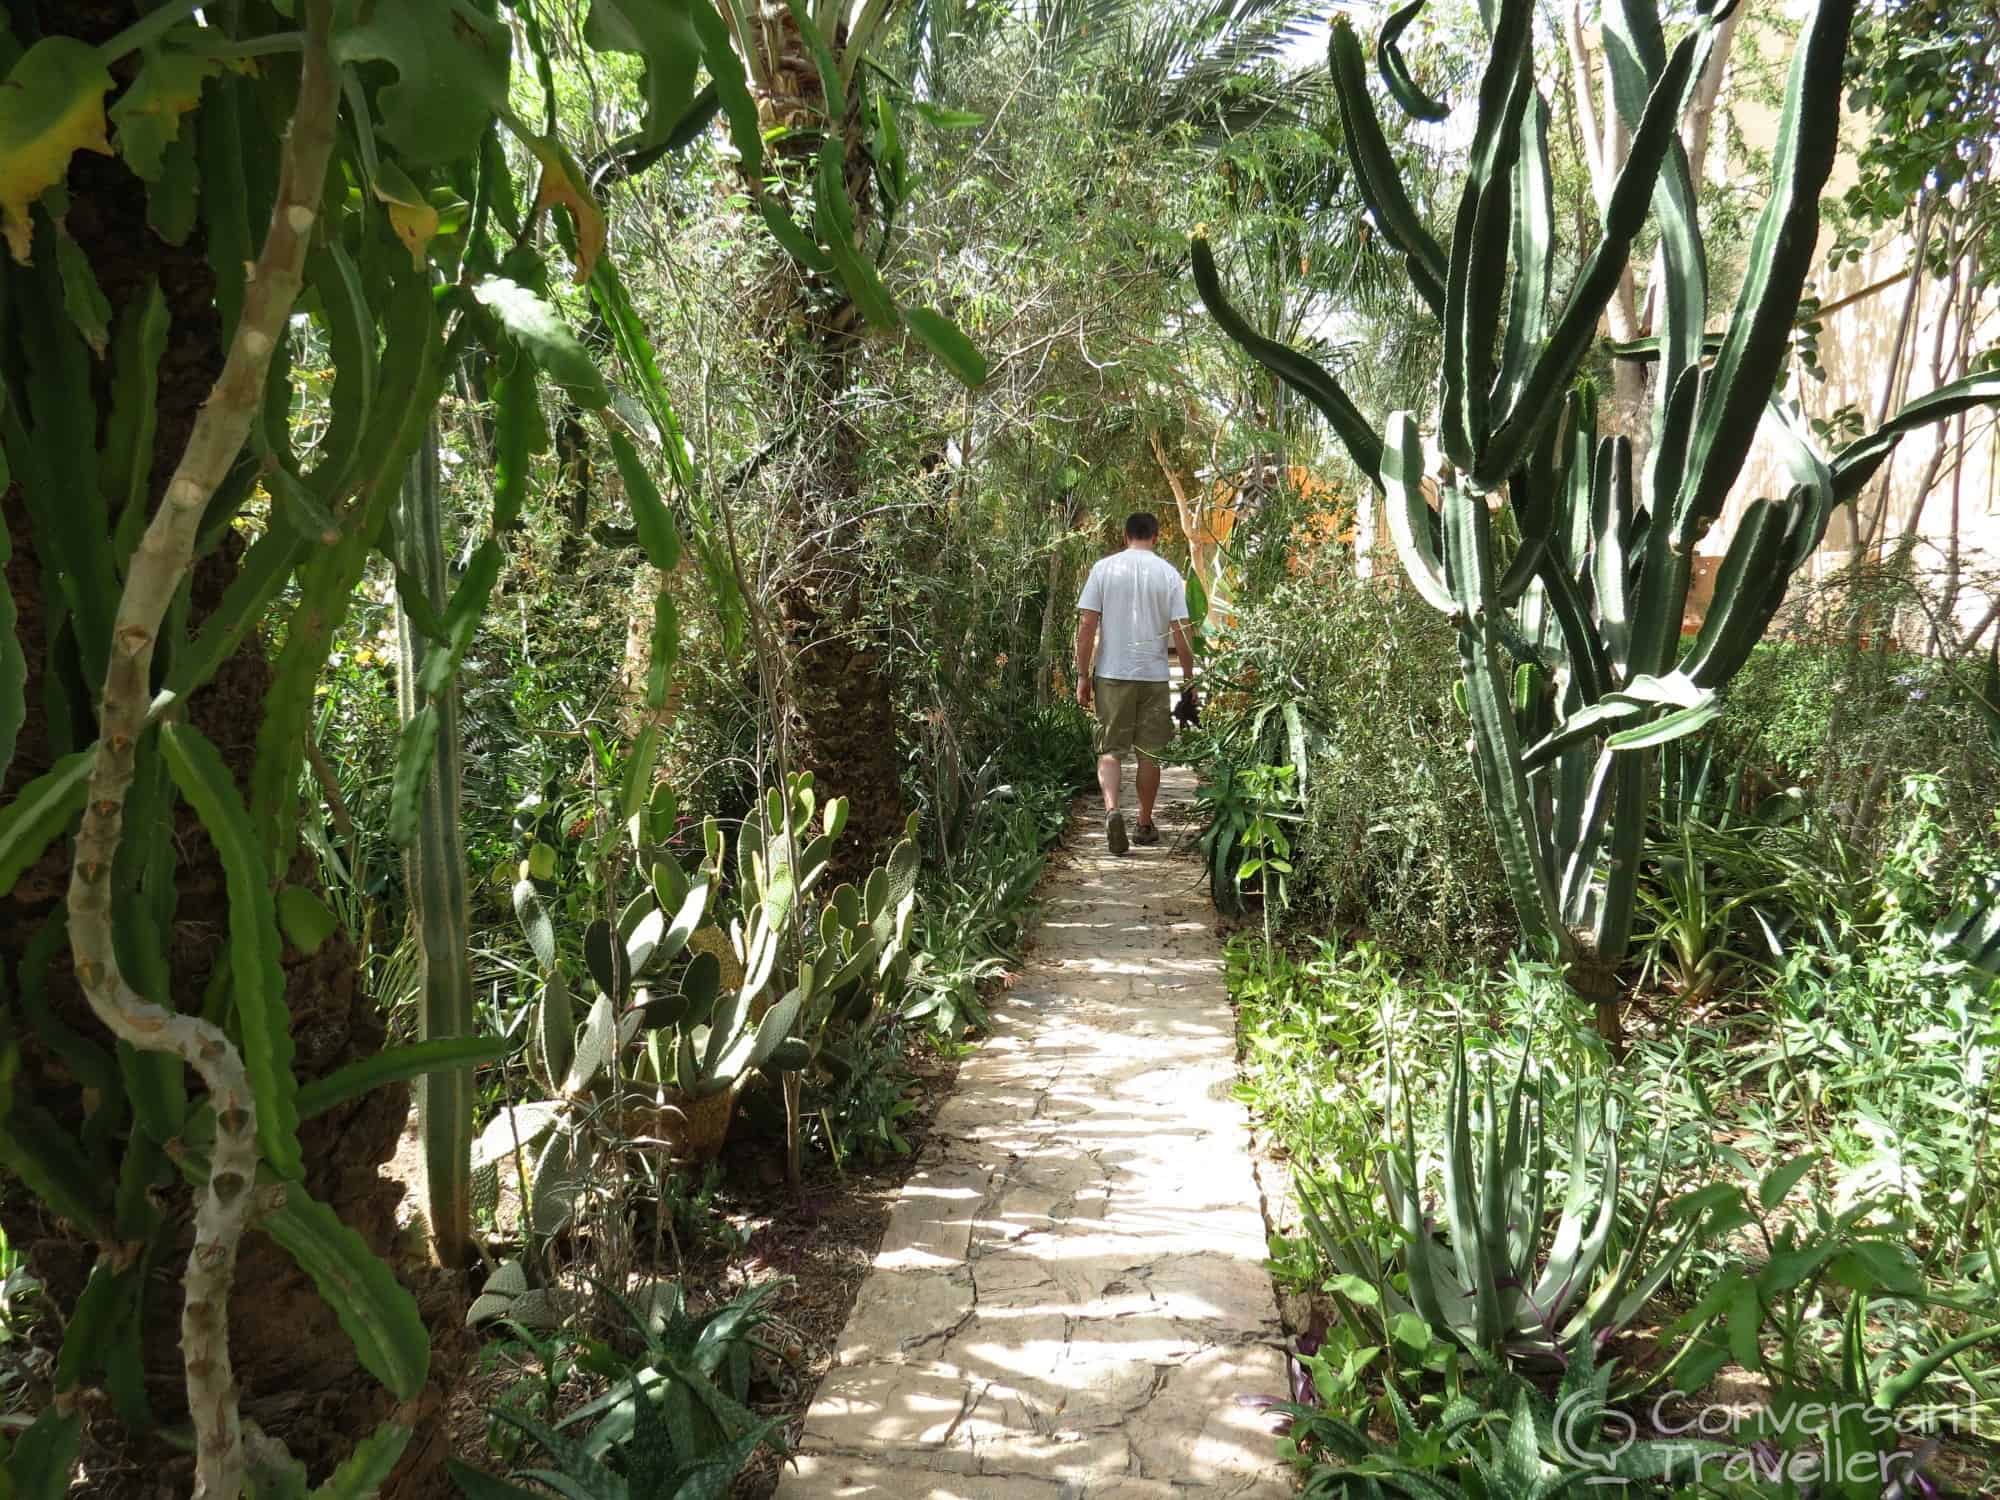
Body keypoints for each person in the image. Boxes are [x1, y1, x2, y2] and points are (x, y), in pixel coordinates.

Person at [1074, 512, 1196, 855]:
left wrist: (1083, 674)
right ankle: (1144, 823)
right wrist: (1189, 679)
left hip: (1111, 675)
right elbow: (1182, 631)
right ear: (1155, 537)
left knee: (1110, 751)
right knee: (1148, 755)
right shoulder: (1169, 574)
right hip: (1154, 676)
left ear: (1125, 535)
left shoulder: (1104, 569)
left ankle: (1112, 810)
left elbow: (1086, 627)